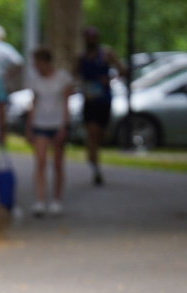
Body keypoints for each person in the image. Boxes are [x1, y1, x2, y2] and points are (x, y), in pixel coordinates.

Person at [26, 47, 73, 217]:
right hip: (40, 123)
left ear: (44, 62)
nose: (35, 66)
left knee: (58, 164)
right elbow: (33, 102)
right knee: (40, 163)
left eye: (37, 62)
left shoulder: (63, 78)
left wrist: (64, 126)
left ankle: (56, 199)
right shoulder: (36, 79)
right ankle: (40, 200)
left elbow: (67, 103)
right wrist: (29, 126)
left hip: (57, 124)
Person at [76, 26, 123, 186]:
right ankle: (95, 166)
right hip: (89, 101)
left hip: (104, 100)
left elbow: (122, 70)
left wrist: (109, 78)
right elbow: (74, 74)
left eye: (92, 37)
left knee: (100, 134)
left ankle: (93, 153)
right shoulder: (81, 57)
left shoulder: (106, 53)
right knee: (92, 131)